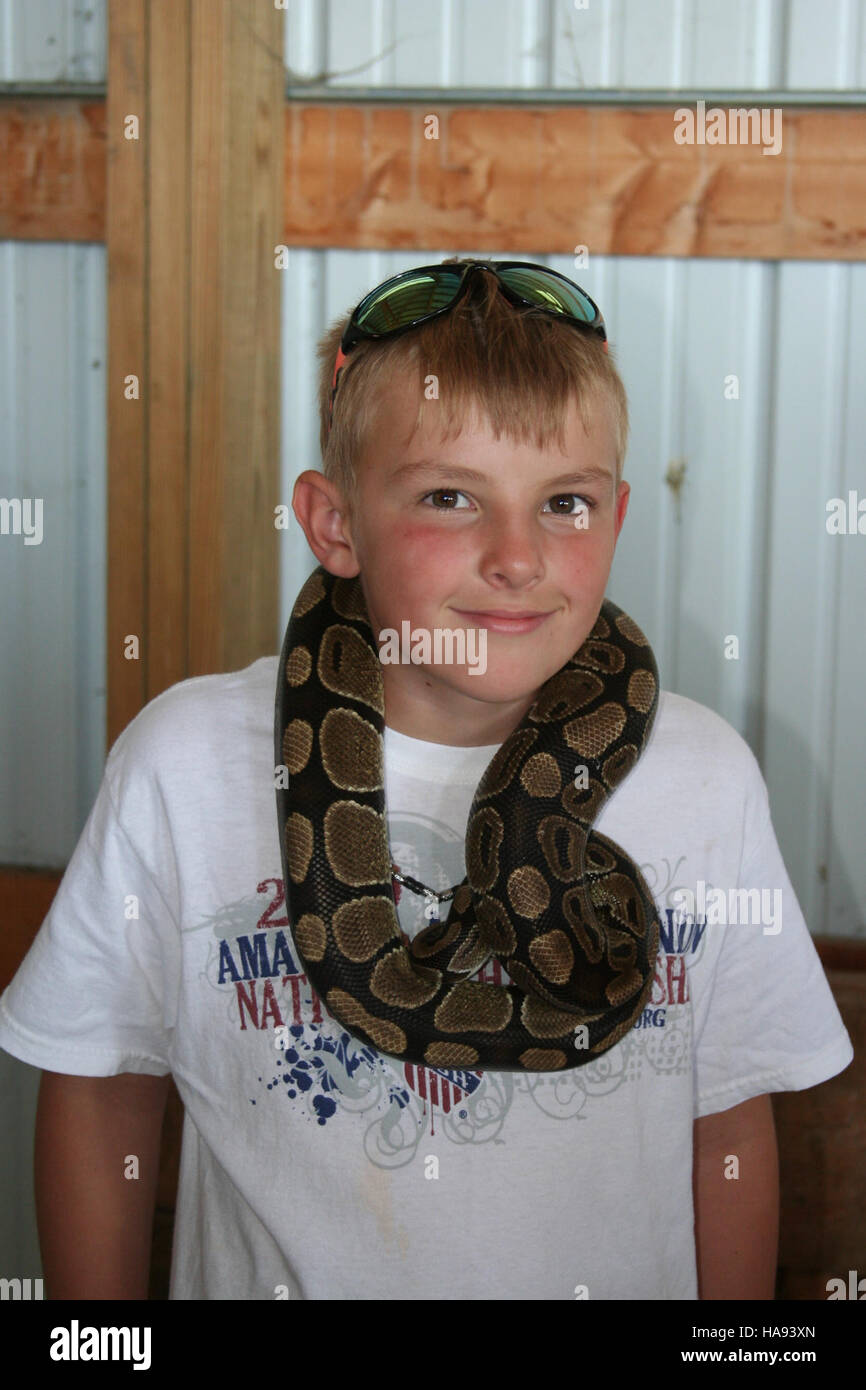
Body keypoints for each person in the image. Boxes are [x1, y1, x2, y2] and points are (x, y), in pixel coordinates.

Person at [0, 259, 852, 1301]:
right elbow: (98, 1086)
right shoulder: (184, 764)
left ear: (619, 518)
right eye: (450, 496)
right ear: (334, 524)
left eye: (565, 503)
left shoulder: (706, 777)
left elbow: (725, 1112)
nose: (515, 555)